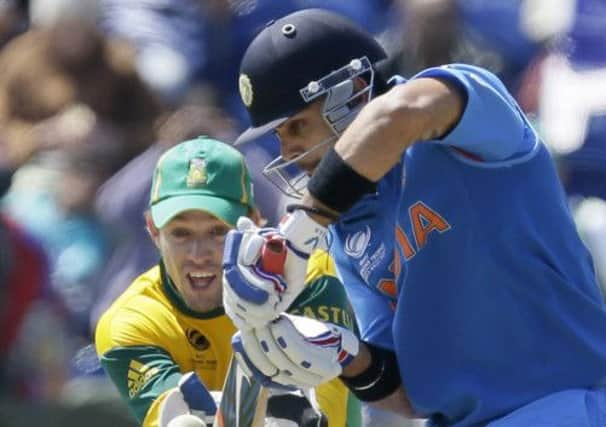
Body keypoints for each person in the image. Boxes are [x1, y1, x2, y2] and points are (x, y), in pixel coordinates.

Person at [220, 8, 606, 427]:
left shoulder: (466, 115)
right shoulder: (343, 228)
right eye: (279, 137)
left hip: (567, 403)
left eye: (297, 126)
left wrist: (301, 228)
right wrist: (343, 355)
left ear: (349, 94)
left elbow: (401, 114)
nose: (289, 154)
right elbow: (412, 394)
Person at [95, 137, 361, 427]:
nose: (198, 254)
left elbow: (323, 413)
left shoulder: (309, 278)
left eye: (218, 231)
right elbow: (174, 416)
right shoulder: (130, 320)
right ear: (153, 232)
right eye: (181, 233)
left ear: (256, 221)